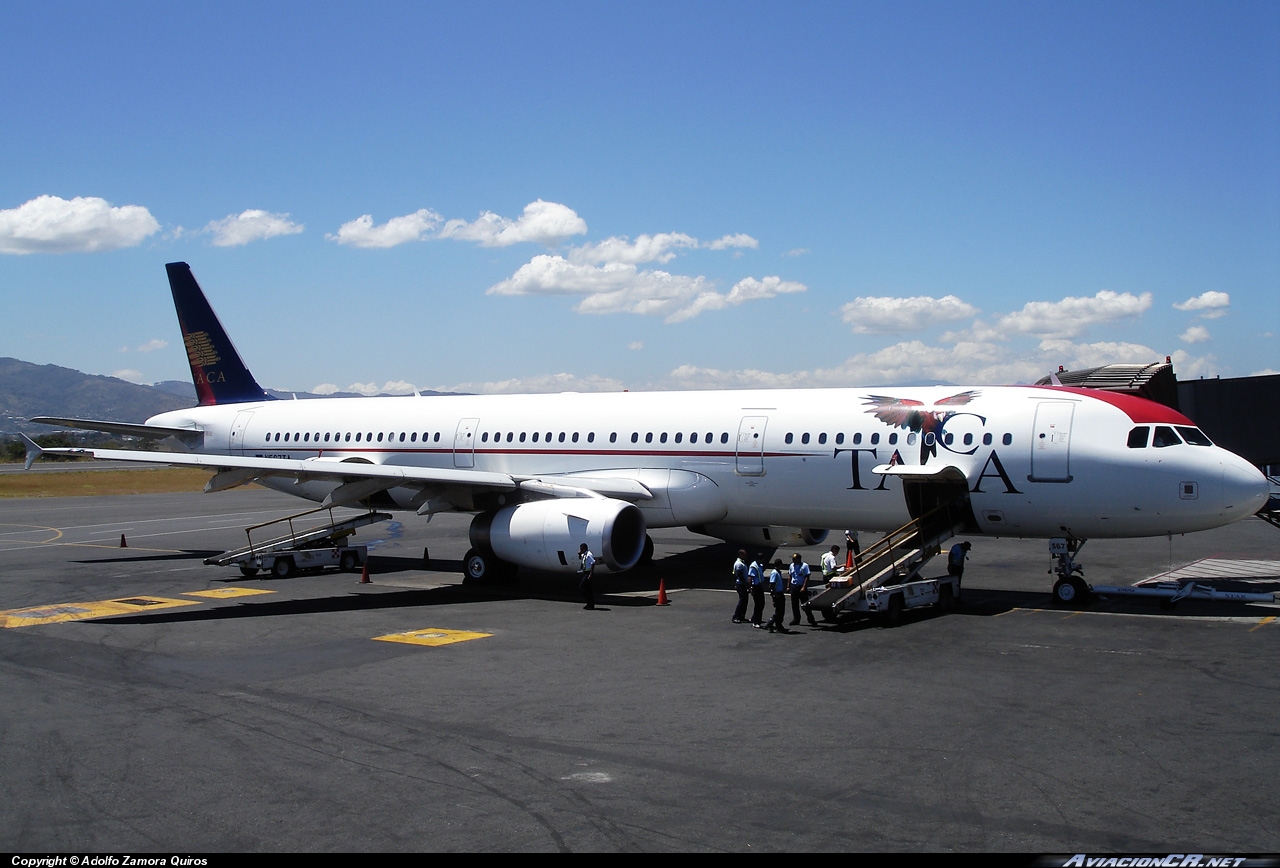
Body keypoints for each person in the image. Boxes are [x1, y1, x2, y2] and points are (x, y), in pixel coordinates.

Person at [789, 552, 817, 626]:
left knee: (805, 604)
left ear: (798, 559)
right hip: (794, 586)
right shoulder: (791, 566)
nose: (793, 560)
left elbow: (807, 577)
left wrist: (804, 587)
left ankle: (811, 619)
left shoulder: (804, 566)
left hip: (801, 586)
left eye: (794, 559)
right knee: (794, 604)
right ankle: (796, 619)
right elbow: (790, 576)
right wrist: (788, 586)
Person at [766, 559, 789, 633]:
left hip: (780, 593)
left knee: (781, 611)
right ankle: (770, 623)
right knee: (779, 611)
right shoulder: (774, 573)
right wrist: (775, 594)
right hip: (777, 594)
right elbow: (771, 585)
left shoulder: (778, 572)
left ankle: (779, 625)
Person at [731, 550, 750, 623]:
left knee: (745, 600)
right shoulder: (739, 564)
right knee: (742, 601)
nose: (746, 556)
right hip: (741, 584)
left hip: (743, 584)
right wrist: (745, 583)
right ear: (740, 554)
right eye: (744, 554)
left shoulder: (742, 562)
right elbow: (740, 575)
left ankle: (742, 616)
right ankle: (736, 616)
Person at [748, 553, 767, 627]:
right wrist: (751, 588)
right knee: (759, 604)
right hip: (755, 587)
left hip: (759, 585)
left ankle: (755, 618)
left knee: (760, 604)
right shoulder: (753, 566)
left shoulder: (760, 566)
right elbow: (750, 577)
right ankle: (756, 622)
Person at [578, 543, 596, 610]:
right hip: (585, 572)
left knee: (582, 587)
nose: (580, 550)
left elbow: (593, 563)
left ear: (584, 548)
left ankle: (590, 602)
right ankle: (590, 604)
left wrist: (590, 574)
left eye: (581, 549)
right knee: (588, 589)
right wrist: (579, 554)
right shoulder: (584, 554)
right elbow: (581, 560)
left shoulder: (589, 554)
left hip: (588, 573)